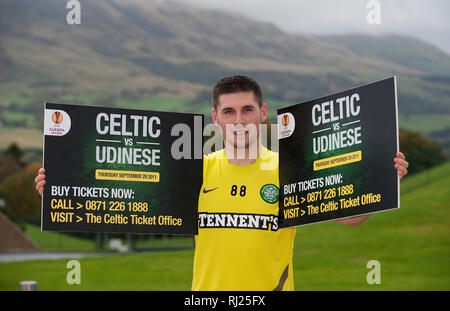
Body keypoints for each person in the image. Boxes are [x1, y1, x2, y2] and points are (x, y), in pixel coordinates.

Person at [35, 75, 409, 291]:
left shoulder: (288, 171)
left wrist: (384, 176)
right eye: (229, 111)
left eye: (248, 109)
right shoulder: (192, 171)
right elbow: (119, 195)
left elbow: (351, 217)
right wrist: (56, 187)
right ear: (215, 118)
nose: (239, 119)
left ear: (262, 114)